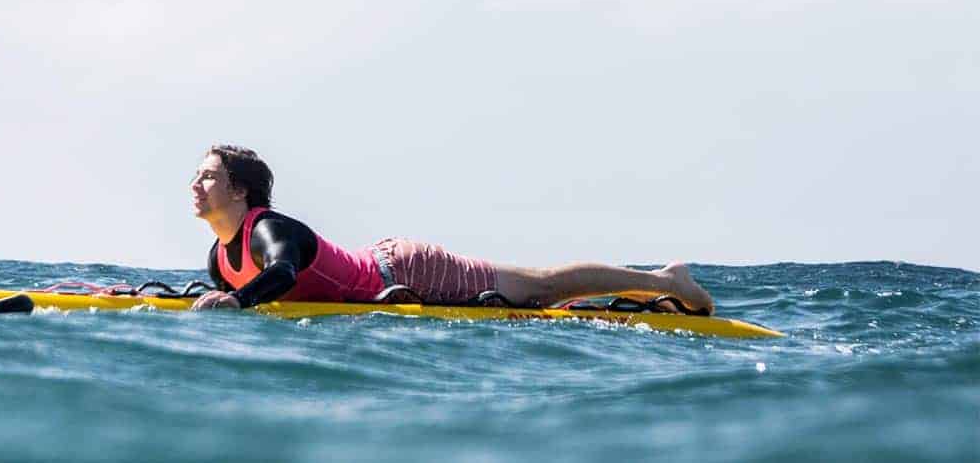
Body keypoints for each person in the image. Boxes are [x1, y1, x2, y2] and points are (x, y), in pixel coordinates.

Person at [187, 145, 715, 315]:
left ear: (240, 192)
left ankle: (666, 280)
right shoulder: (220, 256)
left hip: (406, 269)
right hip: (382, 271)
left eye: (208, 175)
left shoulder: (268, 229)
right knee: (533, 304)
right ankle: (655, 299)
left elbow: (282, 271)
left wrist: (236, 304)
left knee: (541, 288)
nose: (195, 184)